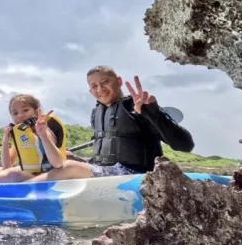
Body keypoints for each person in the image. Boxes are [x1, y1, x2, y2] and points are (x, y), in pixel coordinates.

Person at [23, 65, 195, 182]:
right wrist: (79, 159)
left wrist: (153, 113)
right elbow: (103, 156)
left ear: (118, 81)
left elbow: (185, 145)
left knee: (69, 167)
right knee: (66, 158)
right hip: (107, 173)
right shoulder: (97, 113)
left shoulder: (138, 108)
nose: (100, 89)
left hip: (133, 176)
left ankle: (23, 189)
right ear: (90, 91)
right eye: (94, 86)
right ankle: (18, 182)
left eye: (105, 82)